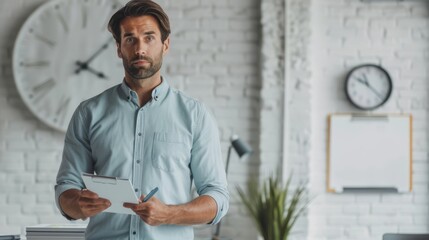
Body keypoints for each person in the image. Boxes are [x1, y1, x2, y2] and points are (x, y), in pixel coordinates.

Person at [54, 0, 229, 239]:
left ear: (165, 44)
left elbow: (217, 199)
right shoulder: (88, 113)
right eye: (130, 39)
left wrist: (169, 213)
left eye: (149, 38)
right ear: (118, 48)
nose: (140, 49)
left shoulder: (195, 115)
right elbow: (66, 189)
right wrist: (77, 204)